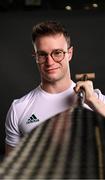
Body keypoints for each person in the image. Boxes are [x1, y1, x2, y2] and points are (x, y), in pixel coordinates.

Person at [5, 20, 105, 156]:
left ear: (69, 53)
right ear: (35, 57)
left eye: (57, 53)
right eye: (42, 54)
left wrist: (94, 101)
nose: (50, 62)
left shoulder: (96, 100)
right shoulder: (19, 108)